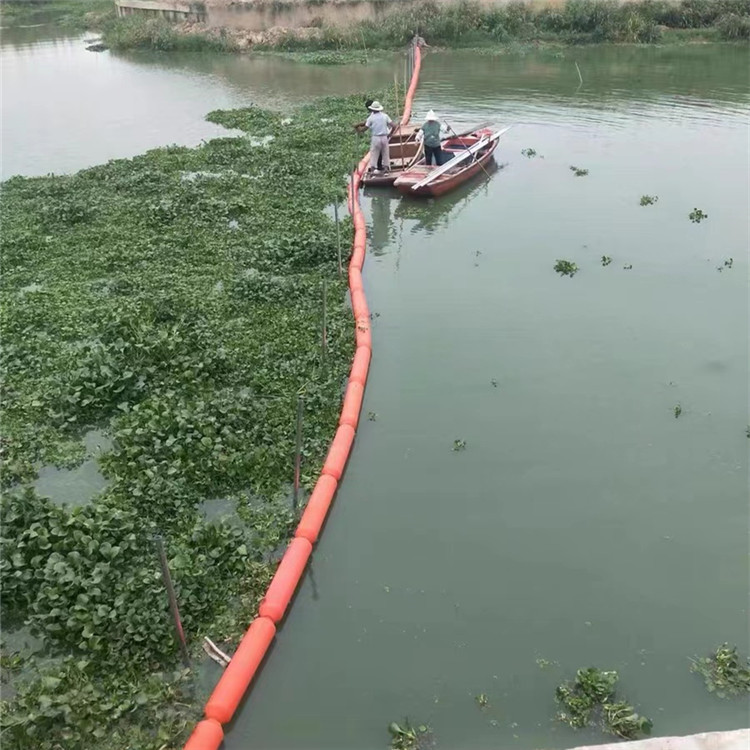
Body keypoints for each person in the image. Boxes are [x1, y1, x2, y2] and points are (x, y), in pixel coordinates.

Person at [363, 101, 394, 174]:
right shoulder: (385, 116)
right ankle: (386, 168)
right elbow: (394, 126)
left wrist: (358, 130)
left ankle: (374, 169)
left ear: (372, 109)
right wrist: (390, 134)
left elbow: (365, 128)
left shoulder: (371, 118)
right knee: (385, 153)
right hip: (384, 137)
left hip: (376, 137)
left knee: (374, 153)